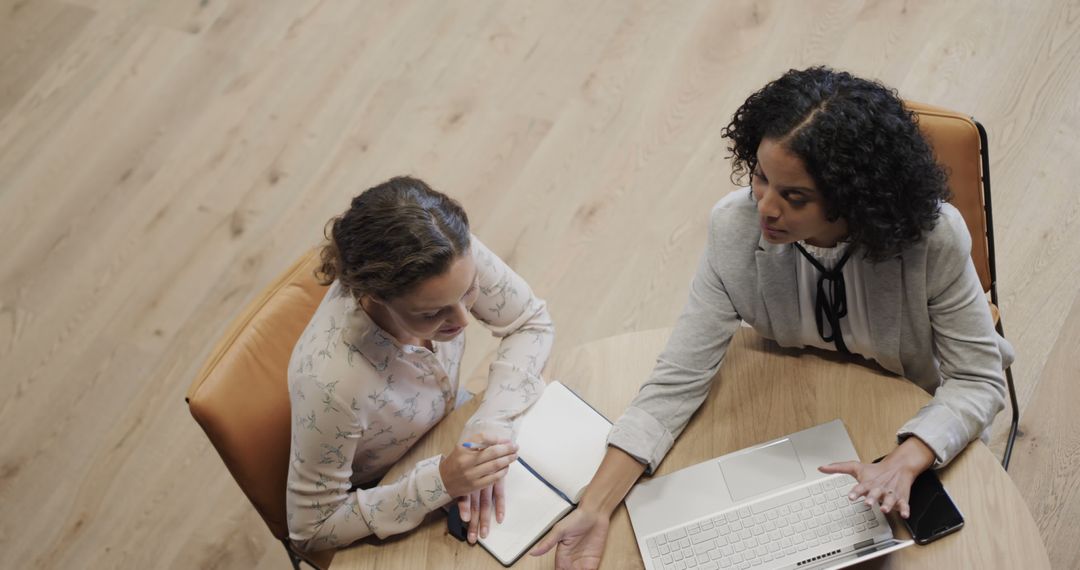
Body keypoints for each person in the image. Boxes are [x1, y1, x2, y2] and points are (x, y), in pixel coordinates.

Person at [531, 67, 1013, 568]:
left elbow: (977, 380)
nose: (764, 207)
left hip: (912, 419)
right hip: (798, 415)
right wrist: (595, 507)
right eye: (761, 177)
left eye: (794, 196)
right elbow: (675, 382)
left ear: (854, 197)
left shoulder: (932, 239)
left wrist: (904, 461)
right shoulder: (734, 228)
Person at [286, 176, 555, 553]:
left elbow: (529, 321)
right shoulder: (332, 384)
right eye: (432, 313)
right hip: (385, 489)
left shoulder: (447, 251)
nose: (463, 321)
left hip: (447, 427)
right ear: (375, 296)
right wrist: (441, 482)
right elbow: (310, 531)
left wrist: (490, 424)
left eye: (469, 291)